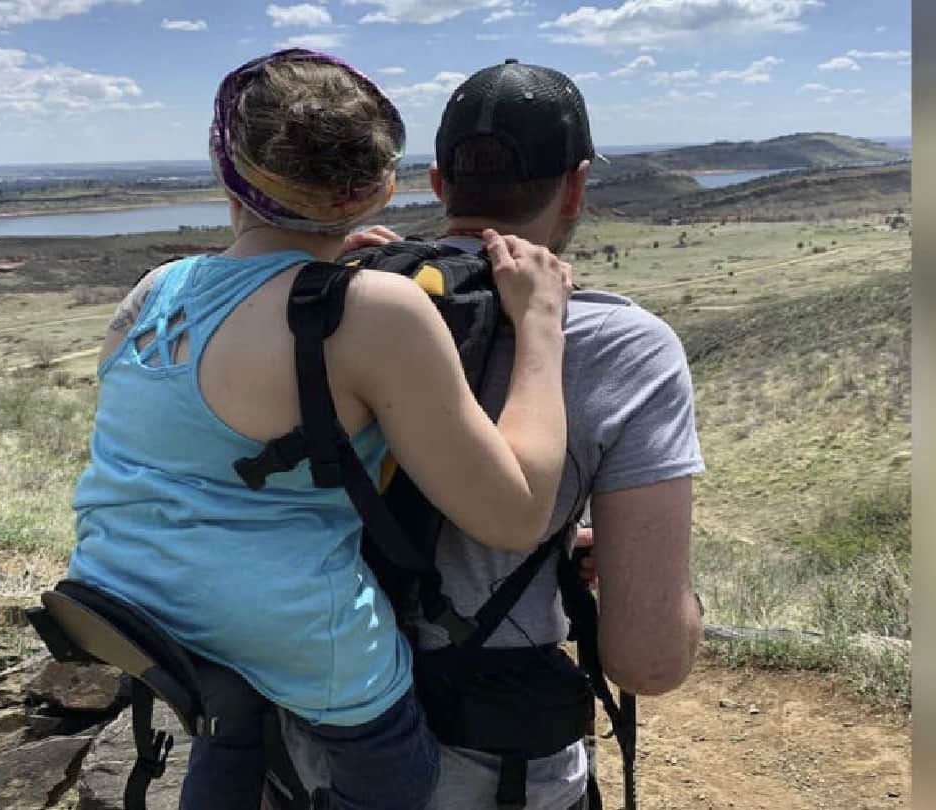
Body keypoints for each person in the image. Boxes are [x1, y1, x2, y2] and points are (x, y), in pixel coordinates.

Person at [64, 49, 574, 810]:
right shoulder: (371, 313)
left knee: (229, 720)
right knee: (401, 776)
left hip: (122, 587)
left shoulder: (156, 289)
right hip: (283, 627)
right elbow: (516, 513)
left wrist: (330, 262)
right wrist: (540, 326)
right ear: (379, 187)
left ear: (223, 165)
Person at [282, 59, 706, 810]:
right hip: (498, 776)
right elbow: (647, 662)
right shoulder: (622, 344)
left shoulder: (331, 297)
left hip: (311, 750)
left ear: (439, 183)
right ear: (576, 186)